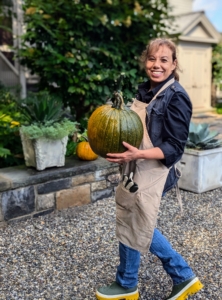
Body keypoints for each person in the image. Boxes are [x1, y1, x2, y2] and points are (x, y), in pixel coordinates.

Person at [95, 38, 204, 300]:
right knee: (130, 217)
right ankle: (128, 282)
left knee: (139, 220)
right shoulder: (146, 90)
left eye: (164, 60)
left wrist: (138, 153)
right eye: (152, 59)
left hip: (154, 169)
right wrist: (126, 154)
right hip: (136, 164)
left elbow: (175, 147)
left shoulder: (176, 97)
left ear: (174, 64)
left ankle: (181, 275)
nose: (157, 65)